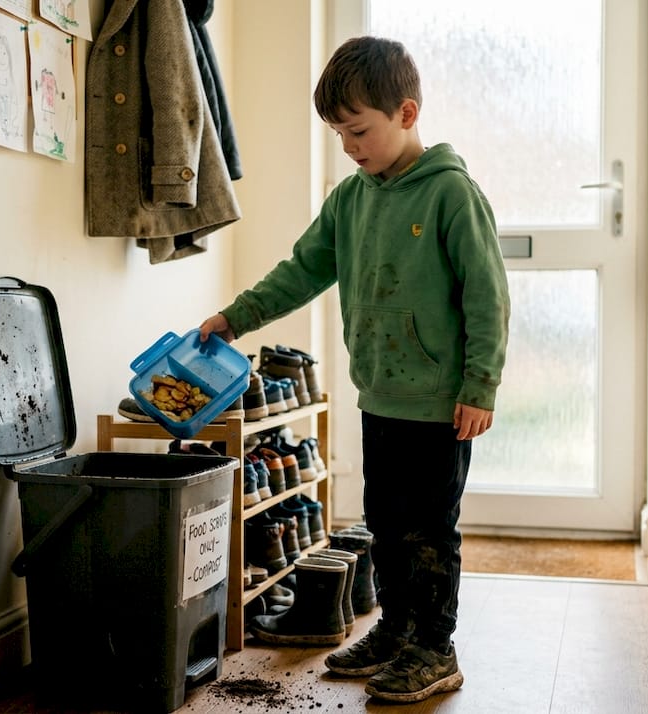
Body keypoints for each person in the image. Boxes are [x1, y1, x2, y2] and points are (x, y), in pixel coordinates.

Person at [197, 36, 510, 704]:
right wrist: (236, 317)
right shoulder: (349, 200)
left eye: (359, 130)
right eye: (338, 133)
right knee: (385, 525)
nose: (348, 146)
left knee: (429, 533)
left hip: (440, 405)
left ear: (406, 112)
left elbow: (487, 296)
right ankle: (396, 631)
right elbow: (301, 270)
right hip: (380, 397)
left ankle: (435, 649)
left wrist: (480, 385)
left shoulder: (452, 194)